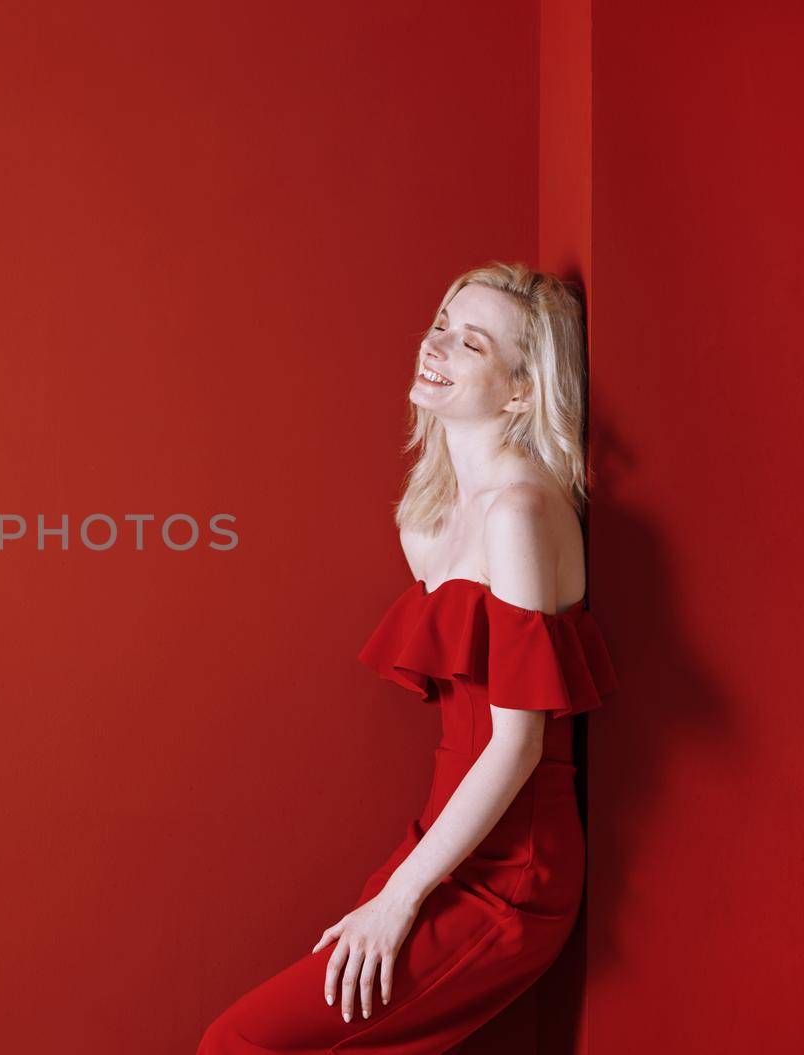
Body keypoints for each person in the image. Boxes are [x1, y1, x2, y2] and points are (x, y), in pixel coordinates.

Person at [197, 262, 620, 1054]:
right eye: (441, 325)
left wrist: (399, 898)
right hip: (441, 841)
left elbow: (517, 742)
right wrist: (405, 880)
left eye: (472, 342)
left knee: (239, 1042)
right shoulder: (428, 520)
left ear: (522, 390)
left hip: (511, 873)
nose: (437, 348)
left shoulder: (521, 510)